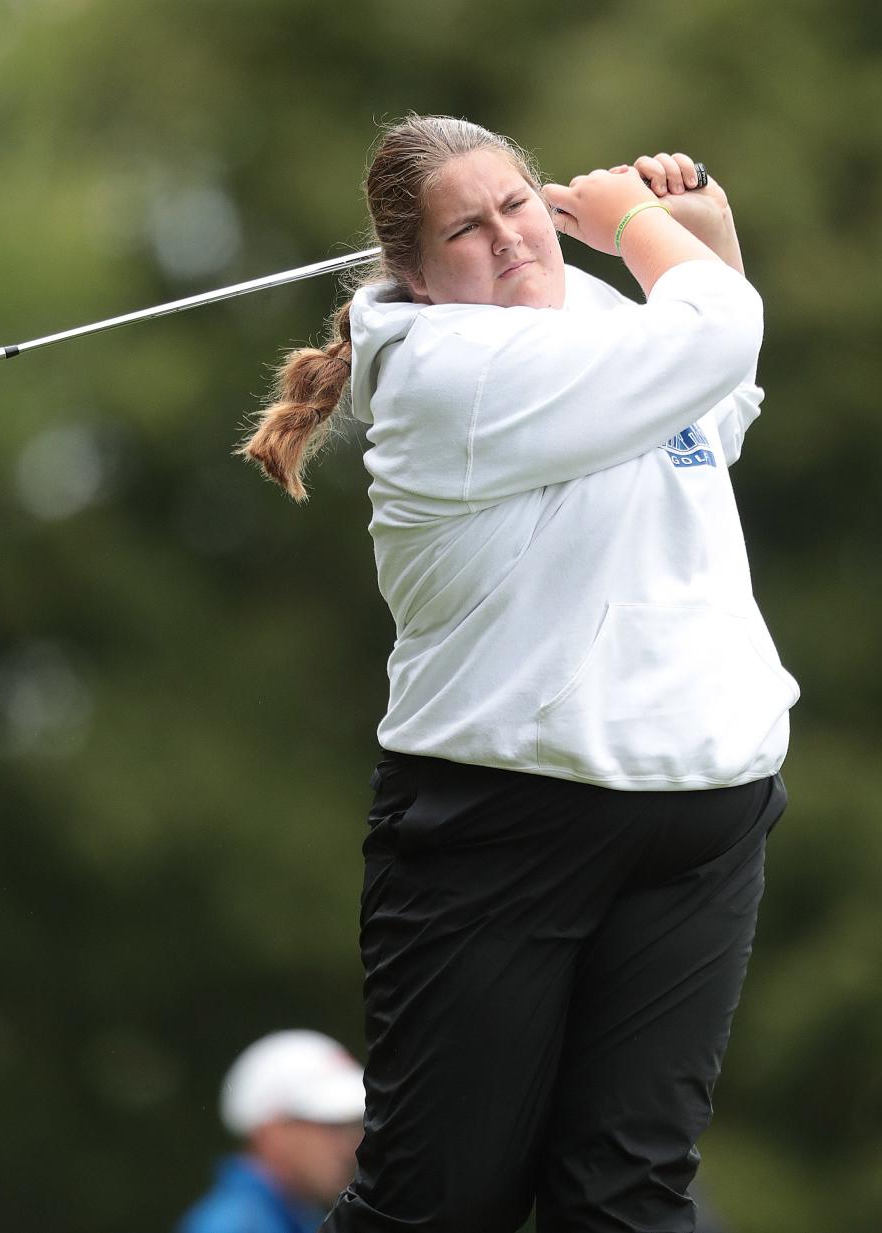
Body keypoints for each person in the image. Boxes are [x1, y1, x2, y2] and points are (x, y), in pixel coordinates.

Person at [241, 116, 799, 1232]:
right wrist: (646, 226)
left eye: (514, 206)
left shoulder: (588, 317)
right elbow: (715, 339)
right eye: (465, 229)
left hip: (700, 813)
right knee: (440, 1204)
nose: (506, 241)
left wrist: (708, 244)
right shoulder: (451, 374)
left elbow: (713, 408)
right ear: (416, 274)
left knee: (629, 1194)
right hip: (502, 822)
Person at [176, 1030, 365, 1233]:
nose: (350, 1147)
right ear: (272, 1131)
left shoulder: (292, 1218)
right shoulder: (237, 1225)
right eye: (331, 1125)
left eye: (353, 1126)